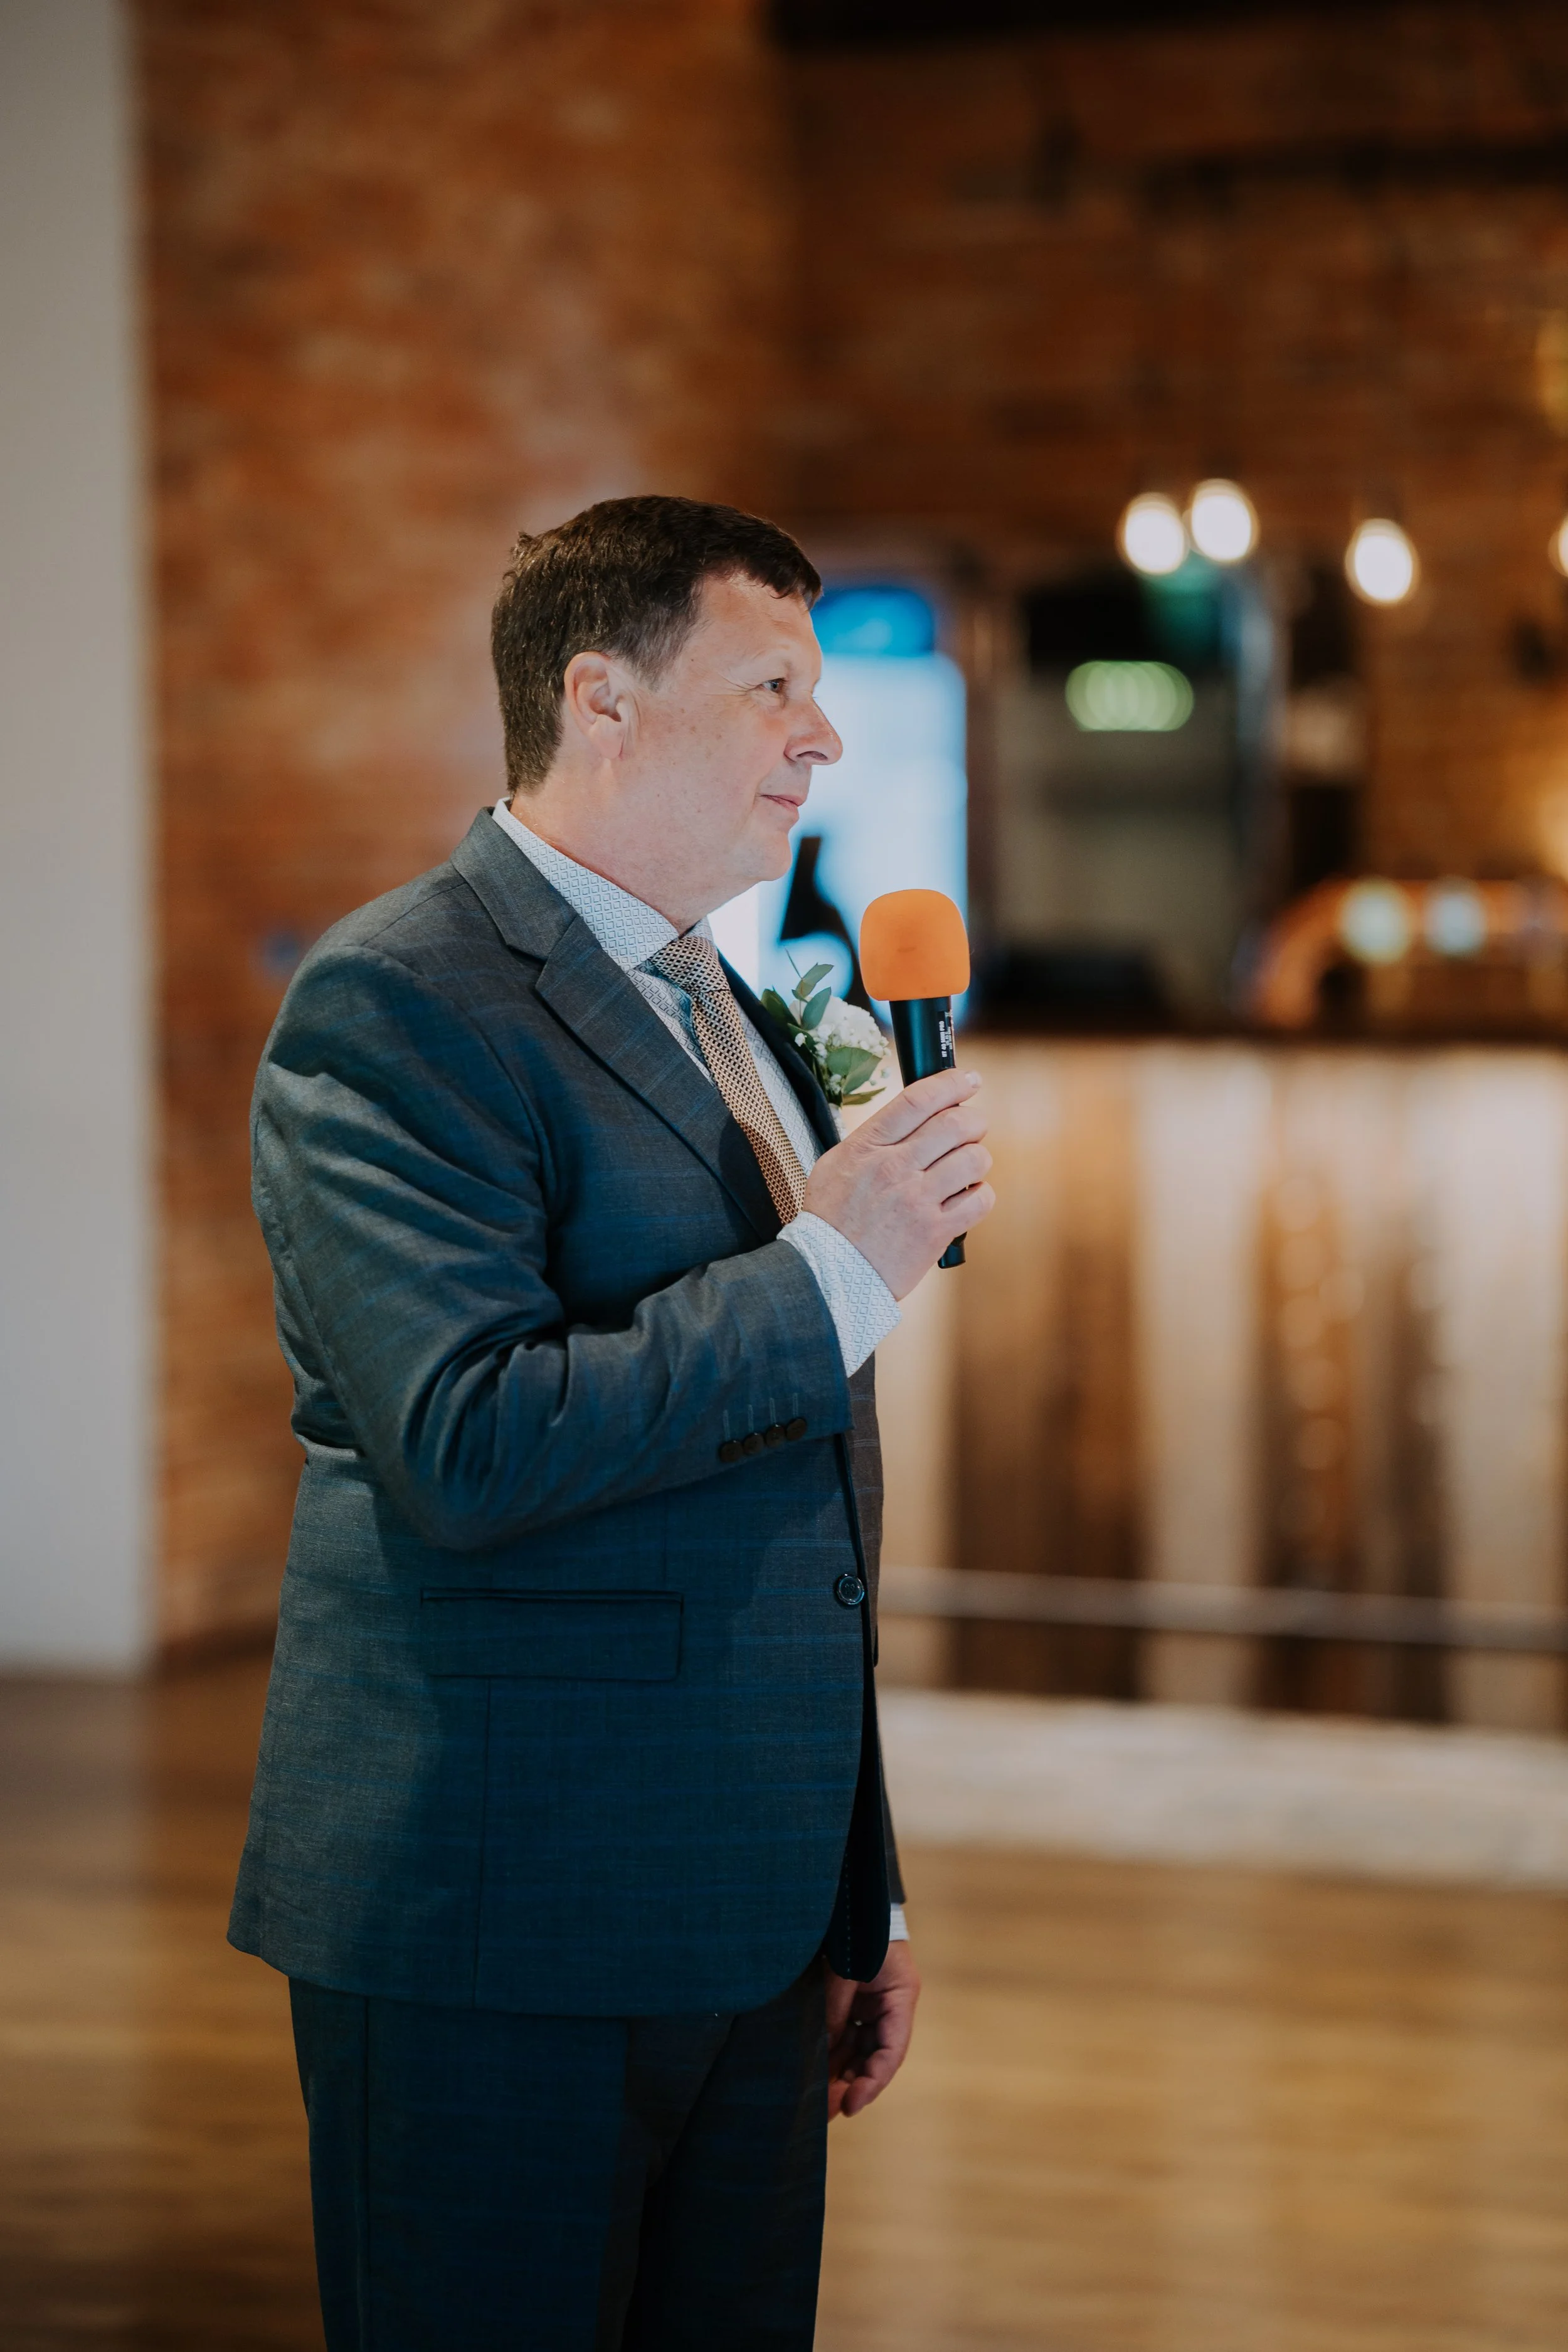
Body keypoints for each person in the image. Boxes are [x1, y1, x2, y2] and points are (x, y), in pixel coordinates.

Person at [229, 494, 995, 2349]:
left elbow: (797, 1514)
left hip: (748, 1915)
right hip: (505, 1913)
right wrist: (835, 1268)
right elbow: (468, 1439)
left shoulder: (715, 992)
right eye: (772, 687)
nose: (823, 735)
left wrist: (859, 1889)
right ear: (603, 700)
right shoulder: (397, 999)